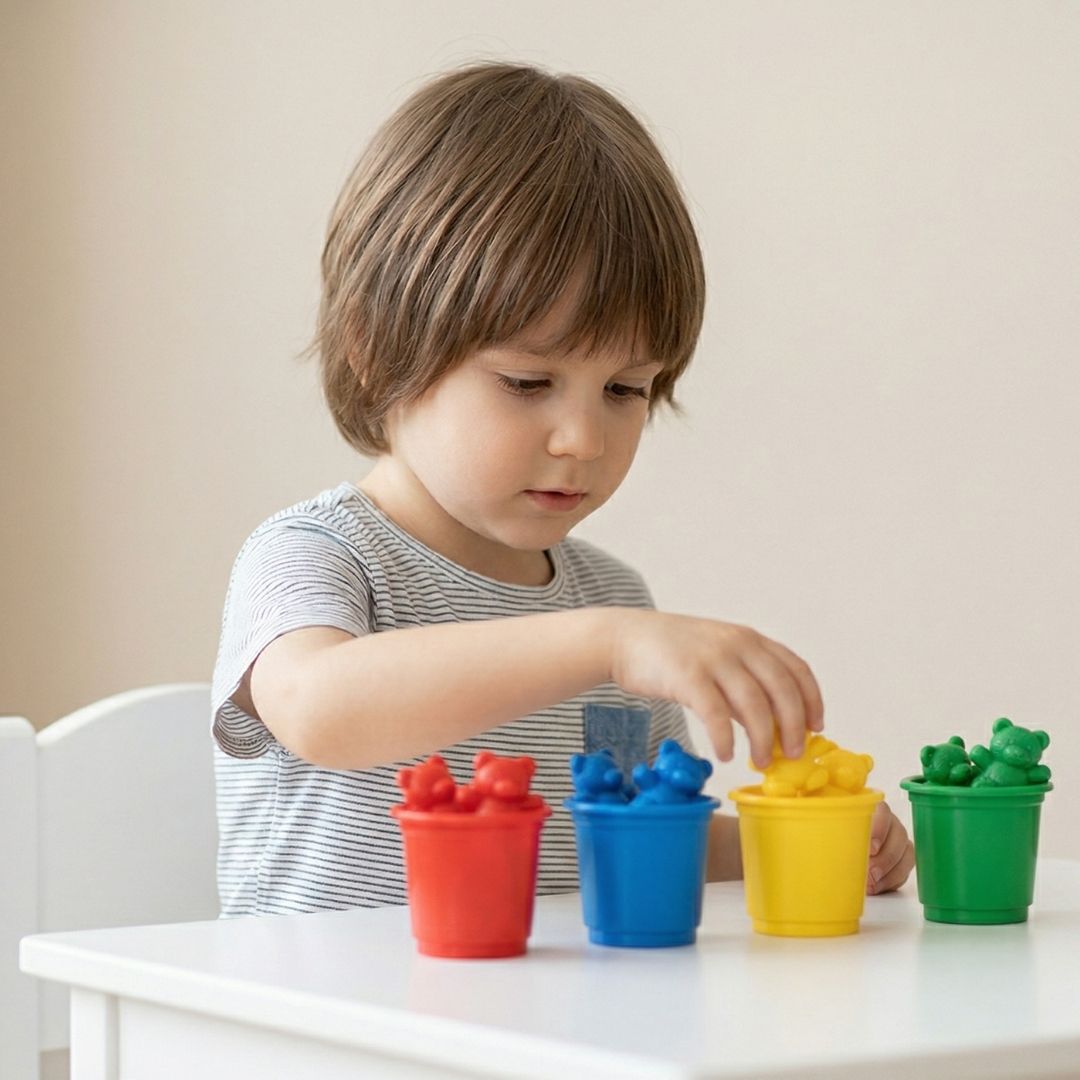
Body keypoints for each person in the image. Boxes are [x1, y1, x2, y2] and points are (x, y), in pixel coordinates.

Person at [211, 61, 914, 917]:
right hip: (320, 1037)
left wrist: (800, 837)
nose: (583, 439)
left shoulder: (613, 600)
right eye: (525, 382)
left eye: (626, 390)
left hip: (533, 1033)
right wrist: (607, 644)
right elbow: (320, 709)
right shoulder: (319, 557)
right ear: (373, 347)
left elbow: (626, 839)